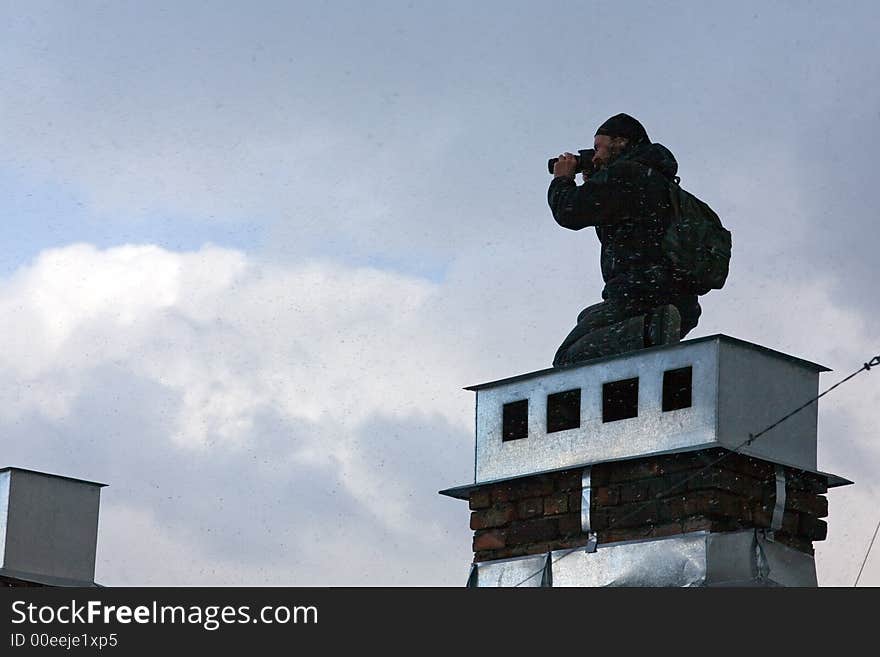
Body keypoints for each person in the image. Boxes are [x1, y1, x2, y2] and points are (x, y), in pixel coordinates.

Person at [548, 113, 701, 367]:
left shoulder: (625, 174)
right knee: (587, 317)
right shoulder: (658, 180)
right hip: (679, 298)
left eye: (598, 146)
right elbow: (624, 236)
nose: (594, 155)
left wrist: (563, 178)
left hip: (640, 293)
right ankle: (651, 332)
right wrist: (595, 183)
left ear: (620, 142)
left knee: (568, 359)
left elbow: (569, 211)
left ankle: (650, 330)